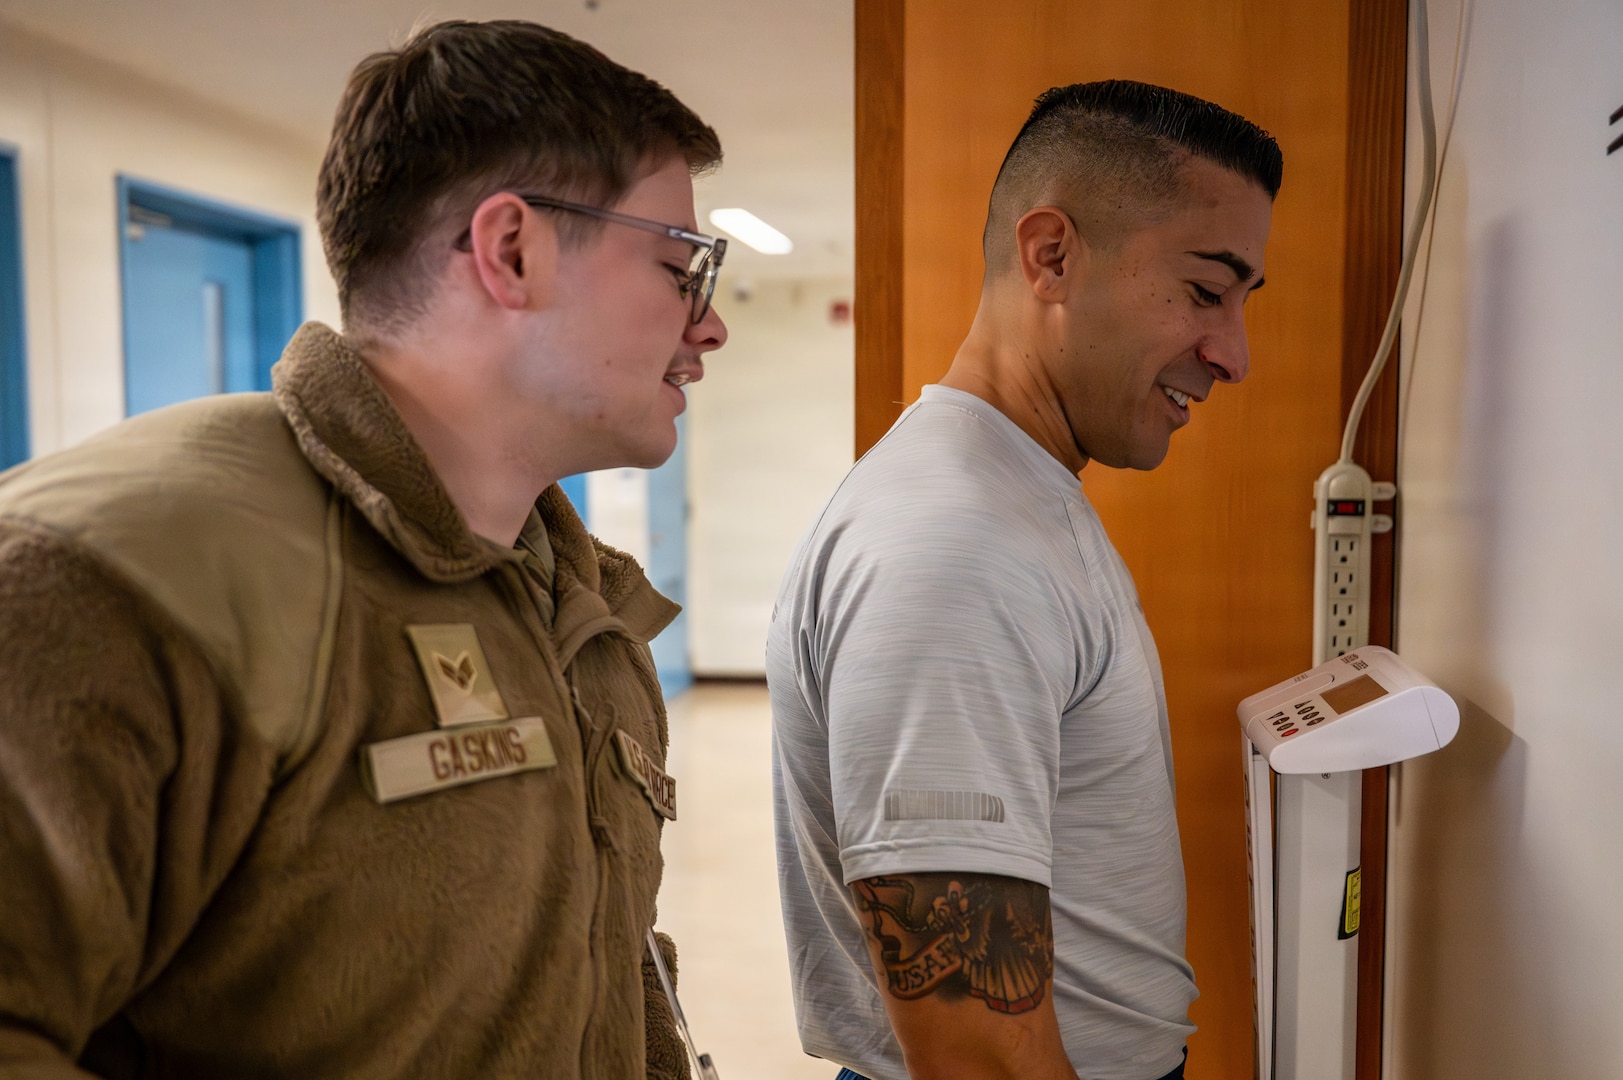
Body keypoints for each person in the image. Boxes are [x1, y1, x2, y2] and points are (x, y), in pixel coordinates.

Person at [0, 20, 726, 1080]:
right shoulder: (114, 572)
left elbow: (606, 973)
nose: (707, 327)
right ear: (512, 250)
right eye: (678, 268)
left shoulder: (582, 609)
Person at [768, 80, 1281, 1080]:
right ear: (1050, 256)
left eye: (1241, 301)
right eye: (1204, 291)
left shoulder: (1010, 496)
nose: (1233, 354)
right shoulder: (957, 547)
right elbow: (974, 1044)